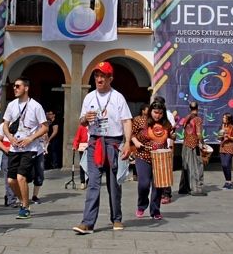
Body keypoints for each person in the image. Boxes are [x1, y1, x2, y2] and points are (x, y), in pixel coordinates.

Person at [72, 61, 132, 234]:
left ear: (110, 78)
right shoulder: (89, 97)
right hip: (95, 143)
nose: (99, 79)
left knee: (114, 184)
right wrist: (85, 118)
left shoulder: (118, 97)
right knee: (93, 183)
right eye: (97, 76)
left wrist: (128, 143)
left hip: (113, 143)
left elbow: (126, 121)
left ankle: (117, 218)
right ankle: (87, 223)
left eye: (103, 76)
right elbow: (82, 121)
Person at [2, 77, 48, 219]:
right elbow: (5, 124)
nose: (14, 88)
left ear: (26, 88)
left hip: (30, 148)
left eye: (18, 86)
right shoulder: (11, 105)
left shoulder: (35, 106)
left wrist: (30, 138)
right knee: (11, 180)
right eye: (14, 86)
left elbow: (45, 127)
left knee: (21, 177)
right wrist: (10, 137)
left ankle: (25, 208)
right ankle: (23, 201)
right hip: (15, 147)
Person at [131, 101, 172, 220]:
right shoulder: (140, 120)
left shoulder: (166, 124)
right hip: (143, 156)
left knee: (158, 186)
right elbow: (131, 134)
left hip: (160, 158)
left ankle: (155, 210)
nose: (157, 115)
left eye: (160, 113)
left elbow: (170, 136)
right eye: (155, 112)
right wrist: (136, 142)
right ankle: (141, 205)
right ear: (150, 111)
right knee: (143, 184)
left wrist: (171, 141)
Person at [180, 101, 206, 196]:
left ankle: (184, 188)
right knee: (196, 166)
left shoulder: (186, 118)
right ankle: (196, 189)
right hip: (193, 145)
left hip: (186, 144)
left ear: (189, 108)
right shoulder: (197, 119)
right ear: (197, 108)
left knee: (186, 166)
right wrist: (203, 143)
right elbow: (198, 133)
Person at [0, 124, 17, 207]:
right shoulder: (3, 125)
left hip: (20, 153)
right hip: (7, 154)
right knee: (9, 177)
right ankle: (11, 200)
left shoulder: (24, 123)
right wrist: (5, 149)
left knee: (18, 177)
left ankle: (9, 196)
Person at [218, 113, 233, 190]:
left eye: (225, 118)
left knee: (226, 164)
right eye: (223, 117)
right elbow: (219, 137)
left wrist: (228, 137)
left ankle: (229, 181)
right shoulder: (221, 126)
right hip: (222, 147)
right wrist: (220, 136)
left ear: (229, 119)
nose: (223, 119)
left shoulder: (232, 127)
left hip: (230, 147)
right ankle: (227, 181)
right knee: (223, 165)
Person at [72, 123, 89, 190]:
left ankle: (89, 181)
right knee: (82, 164)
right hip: (83, 147)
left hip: (91, 146)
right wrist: (75, 145)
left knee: (90, 165)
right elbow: (77, 137)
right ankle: (82, 182)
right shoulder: (81, 127)